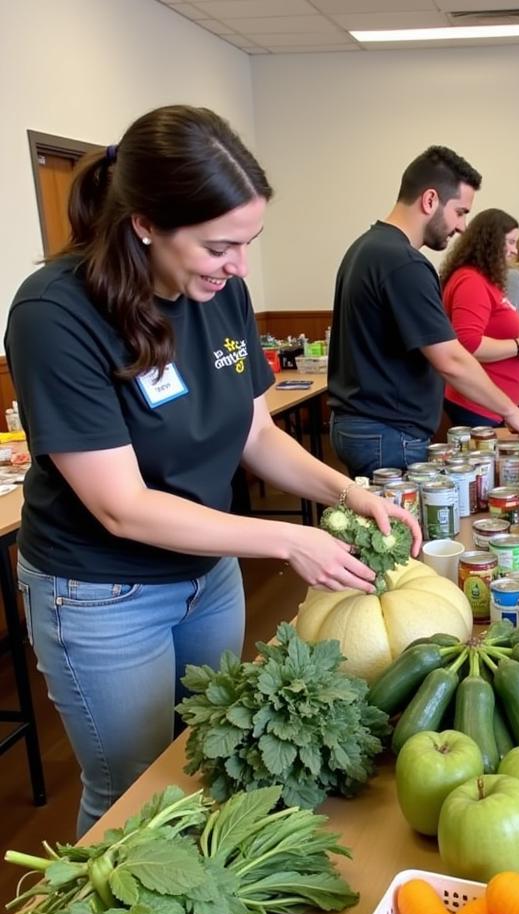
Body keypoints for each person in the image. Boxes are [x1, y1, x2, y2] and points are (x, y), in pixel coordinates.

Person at [3, 106, 421, 835]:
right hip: (103, 591)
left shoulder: (219, 290)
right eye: (221, 245)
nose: (239, 266)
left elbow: (254, 430)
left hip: (207, 575)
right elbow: (122, 507)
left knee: (203, 764)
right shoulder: (55, 312)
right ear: (144, 223)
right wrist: (289, 541)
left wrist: (349, 493)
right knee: (132, 795)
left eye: (248, 242)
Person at [329, 147, 519, 477]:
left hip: (362, 423)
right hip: (387, 431)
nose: (461, 226)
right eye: (460, 212)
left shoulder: (366, 248)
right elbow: (451, 359)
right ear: (430, 200)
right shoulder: (404, 262)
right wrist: (510, 411)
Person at [439, 209, 519, 428]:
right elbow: (469, 344)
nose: (515, 250)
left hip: (489, 407)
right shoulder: (471, 281)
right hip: (476, 406)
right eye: (511, 242)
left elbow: (489, 331)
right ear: (490, 243)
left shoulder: (482, 279)